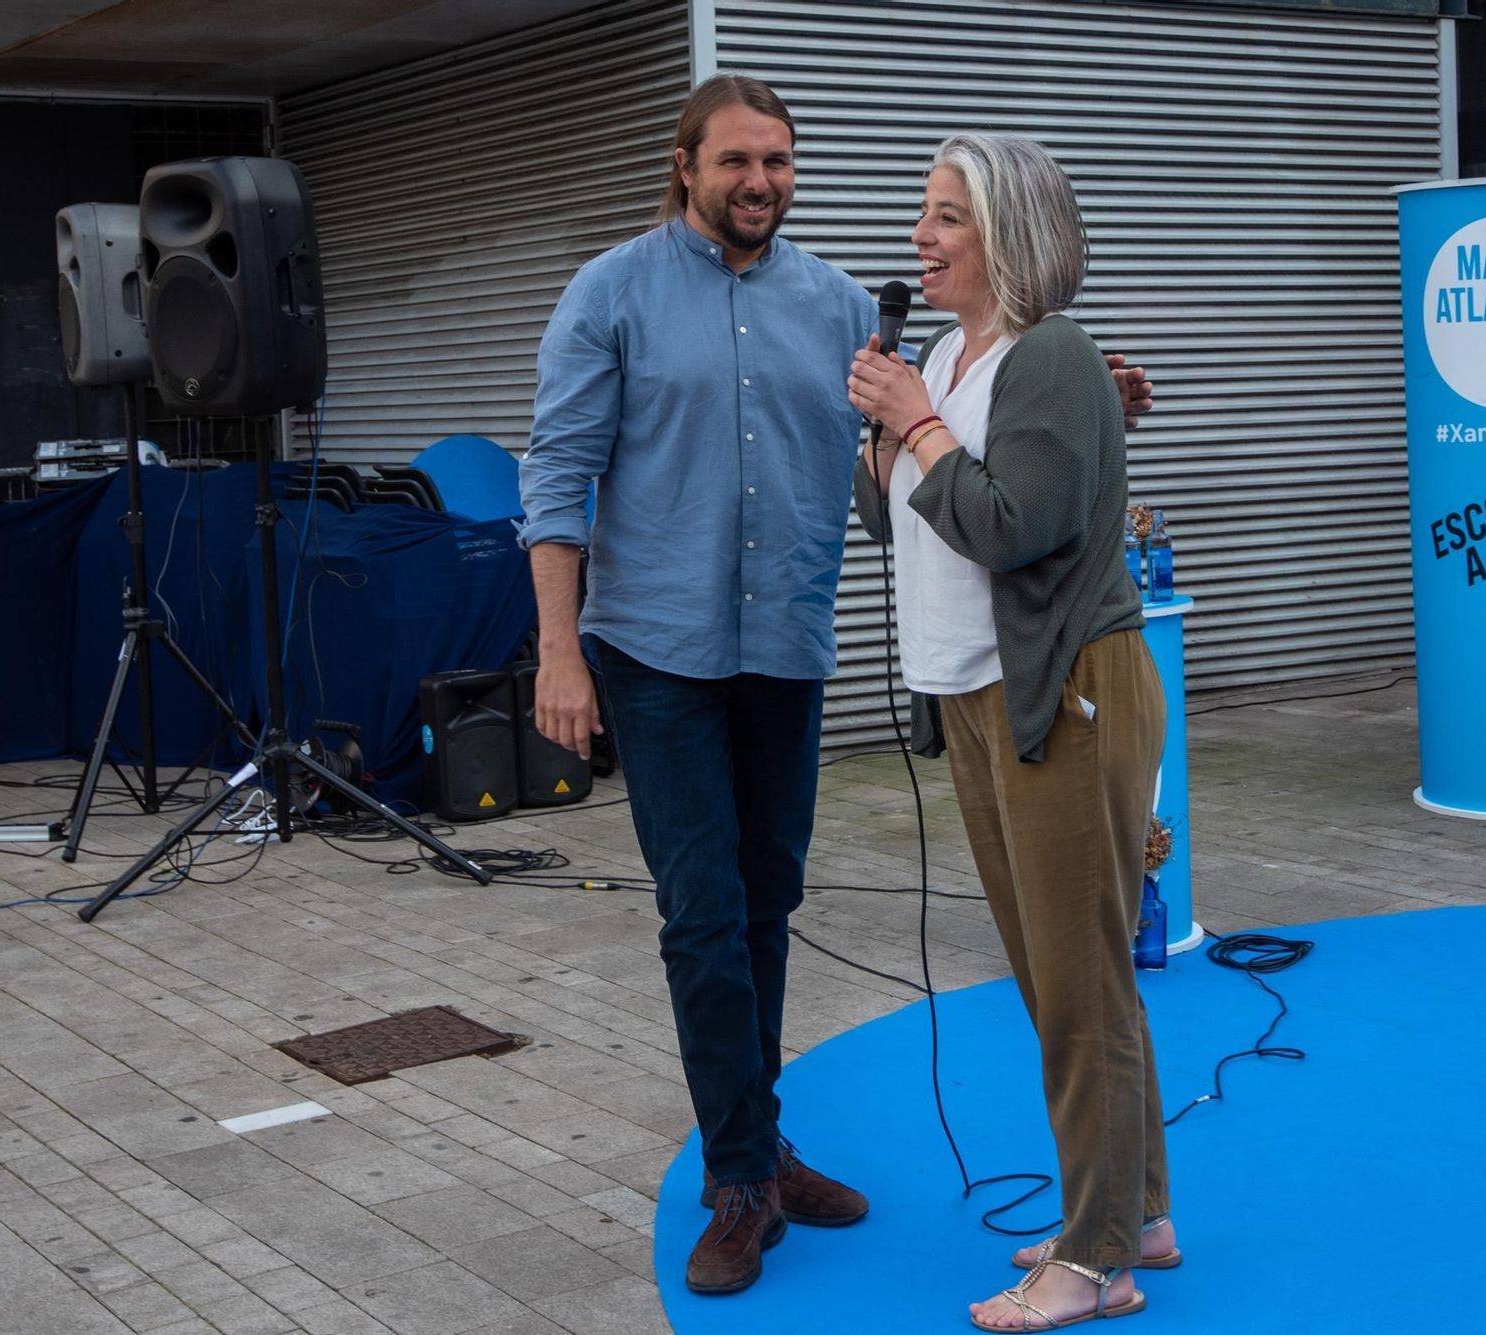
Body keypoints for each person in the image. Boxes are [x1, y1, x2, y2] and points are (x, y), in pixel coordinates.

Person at [518, 74, 1151, 1298]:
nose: (759, 182)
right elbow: (556, 479)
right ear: (686, 166)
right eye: (735, 162)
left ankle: (757, 1146)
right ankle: (739, 1182)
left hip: (784, 649)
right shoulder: (611, 291)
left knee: (767, 900)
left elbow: (929, 444)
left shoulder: (846, 306)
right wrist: (557, 654)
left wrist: (1084, 405)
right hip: (656, 655)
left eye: (778, 162)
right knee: (701, 911)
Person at [846, 134, 1172, 1330]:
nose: (920, 237)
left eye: (947, 218)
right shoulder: (941, 353)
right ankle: (1134, 1210)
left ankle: (1094, 1263)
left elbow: (1007, 526)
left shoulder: (1050, 358)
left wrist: (918, 426)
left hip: (1064, 689)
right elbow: (901, 524)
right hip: (977, 696)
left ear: (1010, 236)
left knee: (1077, 983)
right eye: (922, 213)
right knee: (1054, 974)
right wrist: (887, 430)